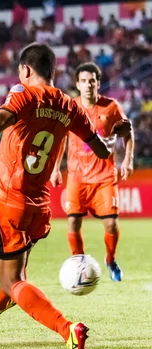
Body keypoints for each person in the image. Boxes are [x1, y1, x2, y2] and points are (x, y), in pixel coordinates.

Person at [0, 43, 123, 349]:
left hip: (8, 199)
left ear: (26, 70)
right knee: (14, 271)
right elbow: (100, 149)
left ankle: (66, 329)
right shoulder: (69, 105)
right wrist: (106, 145)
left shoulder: (25, 95)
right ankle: (0, 302)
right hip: (39, 207)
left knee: (13, 279)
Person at [51, 62, 134, 282]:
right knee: (73, 222)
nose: (89, 84)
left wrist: (128, 159)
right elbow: (60, 140)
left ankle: (110, 259)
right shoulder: (70, 107)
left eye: (92, 80)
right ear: (77, 84)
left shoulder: (112, 107)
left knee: (111, 224)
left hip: (105, 176)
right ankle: (78, 264)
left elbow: (128, 132)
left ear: (98, 82)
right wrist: (56, 167)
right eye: (84, 81)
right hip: (77, 176)